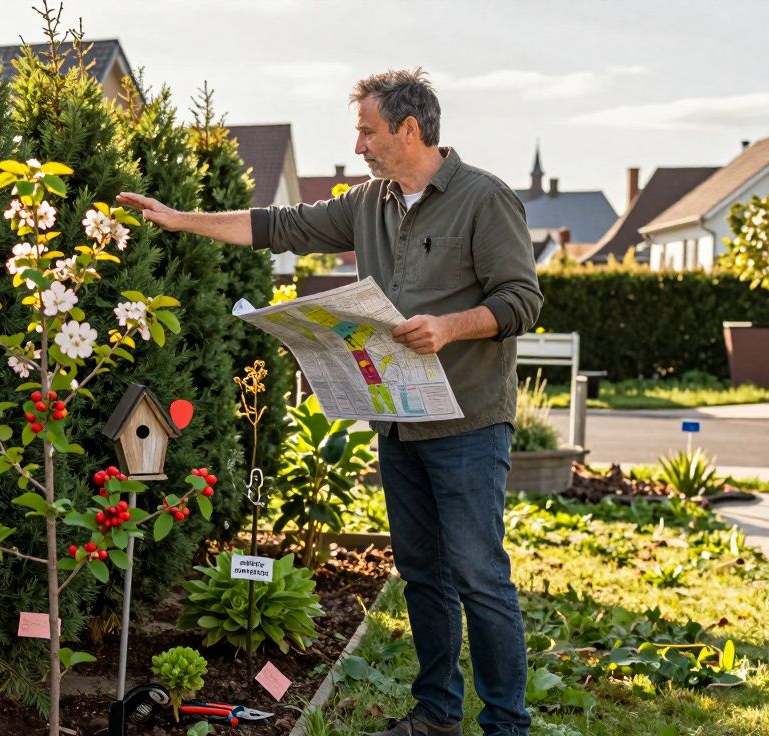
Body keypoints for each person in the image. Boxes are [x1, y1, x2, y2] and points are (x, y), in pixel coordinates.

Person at [116, 68, 542, 736]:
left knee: (478, 575)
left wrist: (448, 327)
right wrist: (178, 220)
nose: (358, 145)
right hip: (399, 421)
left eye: (367, 131)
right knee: (422, 574)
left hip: (467, 422)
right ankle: (437, 714)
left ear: (408, 128)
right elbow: (277, 225)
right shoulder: (366, 203)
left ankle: (507, 725)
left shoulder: (484, 199)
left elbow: (522, 301)